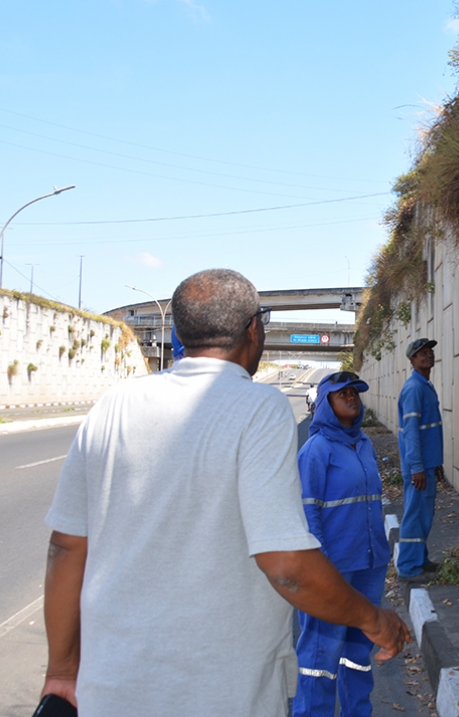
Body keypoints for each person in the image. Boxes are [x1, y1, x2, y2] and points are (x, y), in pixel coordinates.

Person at [41, 269, 410, 717]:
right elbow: (287, 565)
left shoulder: (113, 405)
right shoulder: (261, 408)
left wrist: (61, 670)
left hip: (110, 690)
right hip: (223, 691)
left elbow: (65, 548)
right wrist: (373, 619)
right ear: (255, 329)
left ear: (177, 333)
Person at [294, 370, 393, 717]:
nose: (352, 397)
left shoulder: (363, 443)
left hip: (368, 563)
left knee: (357, 657)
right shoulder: (316, 450)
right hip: (332, 569)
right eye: (342, 394)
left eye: (355, 392)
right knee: (320, 657)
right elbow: (309, 514)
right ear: (325, 404)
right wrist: (318, 569)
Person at [395, 337, 445, 581]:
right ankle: (408, 567)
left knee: (422, 514)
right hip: (418, 466)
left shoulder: (423, 384)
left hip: (426, 464)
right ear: (412, 360)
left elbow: (428, 430)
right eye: (422, 353)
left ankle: (420, 560)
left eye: (430, 352)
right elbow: (411, 432)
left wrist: (435, 463)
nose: (428, 356)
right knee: (415, 515)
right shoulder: (415, 388)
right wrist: (417, 467)